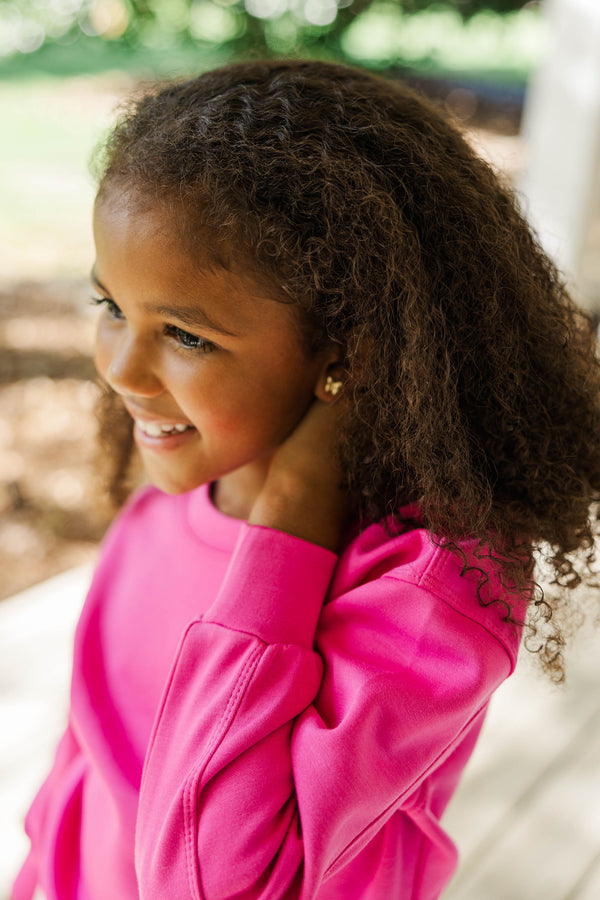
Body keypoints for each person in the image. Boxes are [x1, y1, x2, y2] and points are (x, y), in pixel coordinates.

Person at [12, 59, 600, 900]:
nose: (122, 371)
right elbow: (86, 763)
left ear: (349, 347)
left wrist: (292, 514)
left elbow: (211, 881)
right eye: (110, 307)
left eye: (185, 334)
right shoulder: (170, 501)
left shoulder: (430, 587)